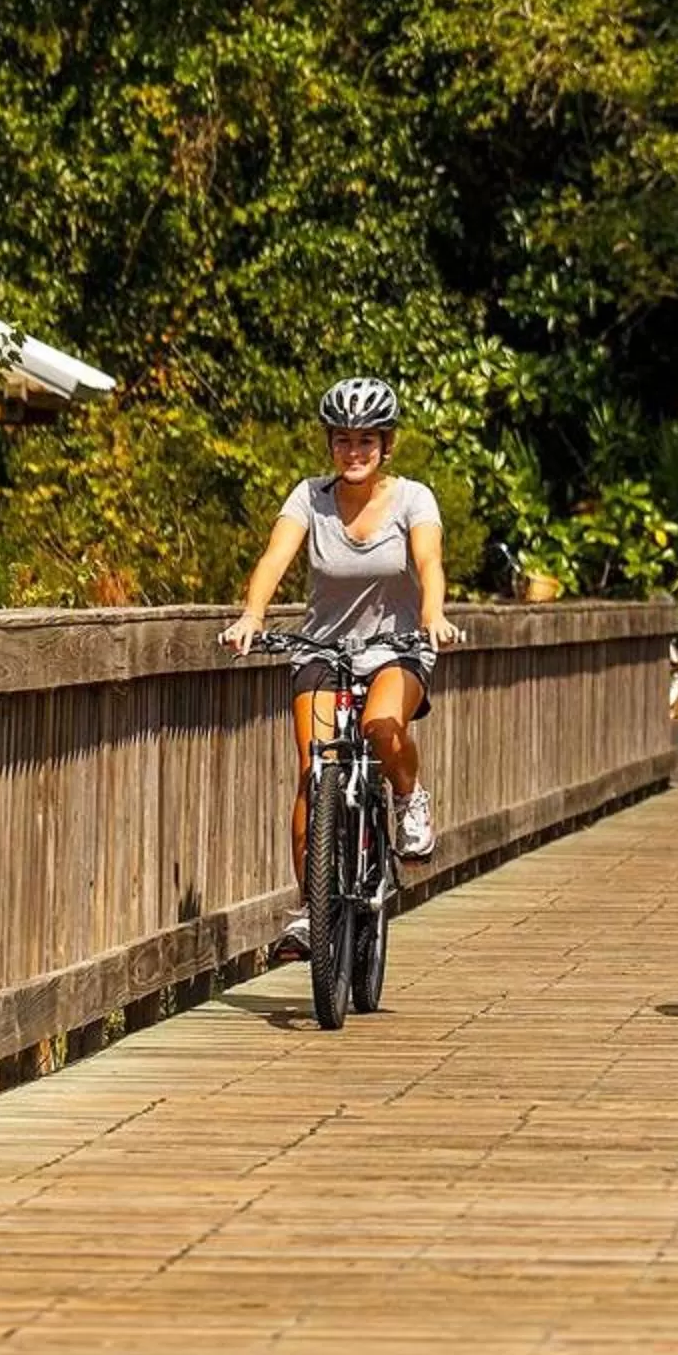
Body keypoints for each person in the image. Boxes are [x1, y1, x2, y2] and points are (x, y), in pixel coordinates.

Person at [223, 377, 463, 964]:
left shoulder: (413, 499)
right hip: (323, 650)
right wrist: (251, 615)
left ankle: (408, 798)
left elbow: (429, 561)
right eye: (342, 441)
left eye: (366, 442)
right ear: (330, 445)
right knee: (314, 770)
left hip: (398, 647)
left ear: (386, 445)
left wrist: (433, 613)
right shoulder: (309, 497)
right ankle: (311, 909)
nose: (353, 453)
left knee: (383, 724)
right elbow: (274, 557)